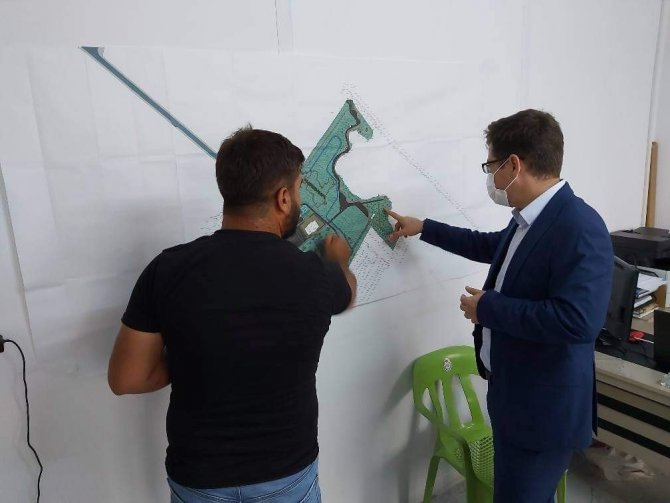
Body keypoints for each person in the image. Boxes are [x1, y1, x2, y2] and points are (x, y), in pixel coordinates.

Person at [108, 126, 356, 503]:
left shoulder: (168, 269)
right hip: (287, 475)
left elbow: (127, 378)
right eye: (299, 188)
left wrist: (197, 354)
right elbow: (347, 292)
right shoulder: (317, 275)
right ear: (283, 198)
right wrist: (338, 259)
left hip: (199, 479)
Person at [386, 109, 613, 502]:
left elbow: (578, 321)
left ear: (514, 165)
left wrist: (488, 309)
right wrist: (424, 228)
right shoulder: (529, 218)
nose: (490, 176)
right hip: (514, 398)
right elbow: (490, 246)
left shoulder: (579, 226)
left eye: (491, 166)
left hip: (543, 414)